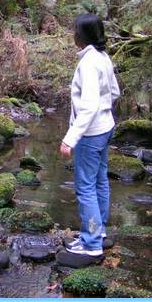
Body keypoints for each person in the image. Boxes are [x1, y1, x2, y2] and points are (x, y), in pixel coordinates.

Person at [60, 13, 120, 258]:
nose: (73, 34)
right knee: (100, 181)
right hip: (105, 128)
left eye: (75, 30)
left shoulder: (88, 63)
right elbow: (114, 92)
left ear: (81, 35)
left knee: (85, 188)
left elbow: (89, 106)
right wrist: (104, 114)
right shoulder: (102, 57)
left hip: (91, 134)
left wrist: (70, 138)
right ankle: (99, 231)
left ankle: (92, 243)